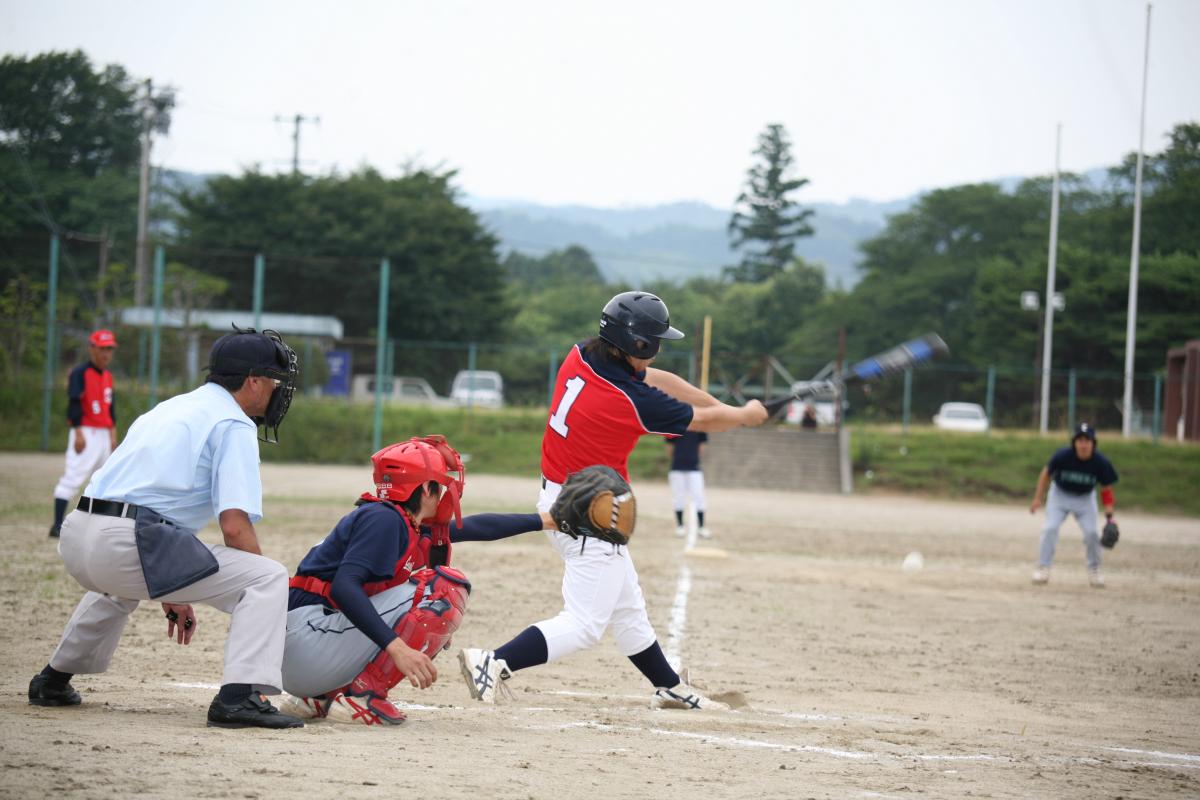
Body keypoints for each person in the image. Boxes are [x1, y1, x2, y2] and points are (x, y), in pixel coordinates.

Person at [459, 291, 768, 710]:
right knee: (585, 625)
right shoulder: (629, 400)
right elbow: (703, 422)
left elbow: (664, 383)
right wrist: (743, 415)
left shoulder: (582, 356)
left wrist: (728, 407)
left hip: (564, 494)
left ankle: (669, 686)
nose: (657, 352)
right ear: (639, 345)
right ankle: (493, 661)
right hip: (590, 511)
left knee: (628, 606)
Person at [28, 326, 307, 730]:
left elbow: (147, 501)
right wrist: (261, 603)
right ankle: (240, 696)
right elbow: (234, 527)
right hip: (129, 543)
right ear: (253, 381)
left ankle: (52, 681)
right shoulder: (234, 424)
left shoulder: (171, 408)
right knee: (267, 578)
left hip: (79, 535)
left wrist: (174, 582)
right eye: (276, 381)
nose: (280, 391)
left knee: (118, 586)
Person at [277, 435, 554, 726]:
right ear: (424, 488)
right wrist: (397, 646)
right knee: (443, 592)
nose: (446, 492)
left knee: (418, 602)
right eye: (440, 484)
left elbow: (476, 526)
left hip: (303, 650)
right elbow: (345, 587)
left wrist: (547, 520)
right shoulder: (384, 520)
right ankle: (363, 696)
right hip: (309, 643)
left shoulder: (392, 517)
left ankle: (322, 696)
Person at [1029, 422, 1119, 587]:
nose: (1083, 444)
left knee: (1092, 533)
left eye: (1087, 440)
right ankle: (1043, 567)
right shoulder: (1063, 456)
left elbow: (1106, 489)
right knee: (1050, 528)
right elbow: (1045, 474)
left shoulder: (1100, 462)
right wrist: (1038, 498)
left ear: (1093, 443)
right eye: (1080, 440)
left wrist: (1110, 518)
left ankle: (1095, 570)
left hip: (1085, 498)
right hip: (1059, 495)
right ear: (1074, 442)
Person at [50, 329, 119, 538]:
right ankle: (56, 525)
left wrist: (113, 436)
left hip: (104, 434)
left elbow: (111, 409)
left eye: (109, 349)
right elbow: (74, 404)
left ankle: (95, 527)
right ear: (92, 349)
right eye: (102, 348)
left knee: (104, 481)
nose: (106, 353)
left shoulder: (108, 376)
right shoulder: (80, 372)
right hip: (86, 432)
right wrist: (78, 432)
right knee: (73, 477)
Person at [666, 430, 710, 538]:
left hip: (694, 468)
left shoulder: (700, 427)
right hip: (677, 468)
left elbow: (701, 447)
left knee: (699, 496)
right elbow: (670, 447)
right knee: (678, 497)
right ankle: (680, 526)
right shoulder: (676, 426)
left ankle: (701, 527)